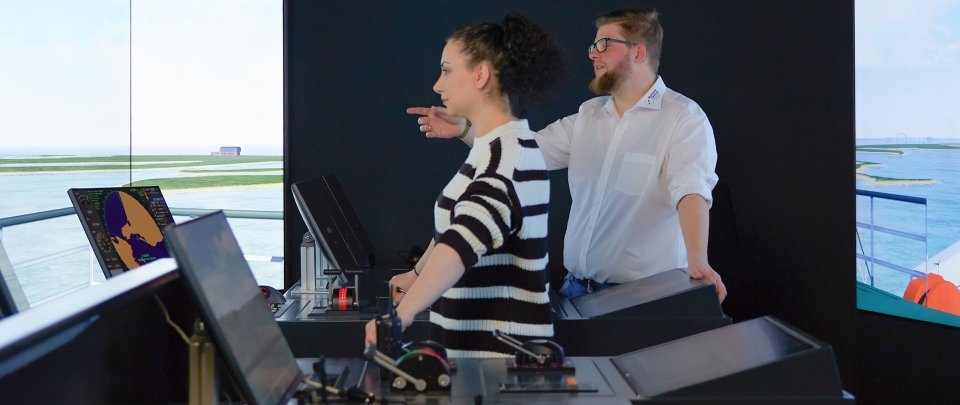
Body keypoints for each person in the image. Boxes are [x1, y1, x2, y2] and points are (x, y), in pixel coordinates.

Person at [407, 9, 728, 301]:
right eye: (592, 47)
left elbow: (690, 191)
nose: (593, 55)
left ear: (639, 51)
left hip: (641, 301)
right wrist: (466, 129)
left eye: (604, 45)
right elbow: (524, 152)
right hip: (576, 292)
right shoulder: (589, 115)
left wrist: (698, 260)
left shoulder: (683, 118)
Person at [364, 13, 564, 357]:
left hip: (496, 364)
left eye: (446, 70)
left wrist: (402, 314)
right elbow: (456, 223)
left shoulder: (507, 159)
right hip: (478, 361)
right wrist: (416, 274)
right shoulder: (497, 146)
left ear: (481, 74)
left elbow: (461, 243)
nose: (437, 86)